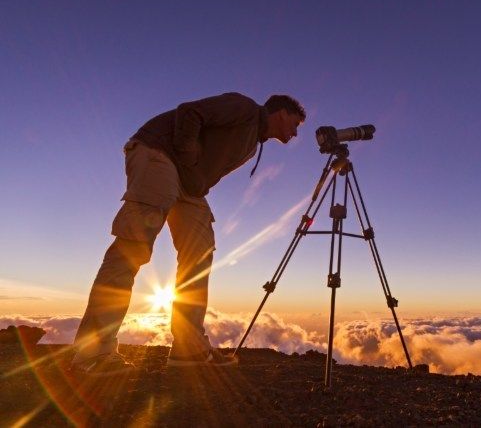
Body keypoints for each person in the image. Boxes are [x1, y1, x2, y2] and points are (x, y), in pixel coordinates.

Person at [71, 92, 305, 376]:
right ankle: (94, 352)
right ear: (281, 114)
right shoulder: (243, 107)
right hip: (159, 153)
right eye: (294, 124)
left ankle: (188, 348)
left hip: (187, 182)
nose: (294, 133)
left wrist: (195, 178)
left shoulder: (253, 145)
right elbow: (189, 113)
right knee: (133, 247)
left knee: (200, 252)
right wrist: (188, 155)